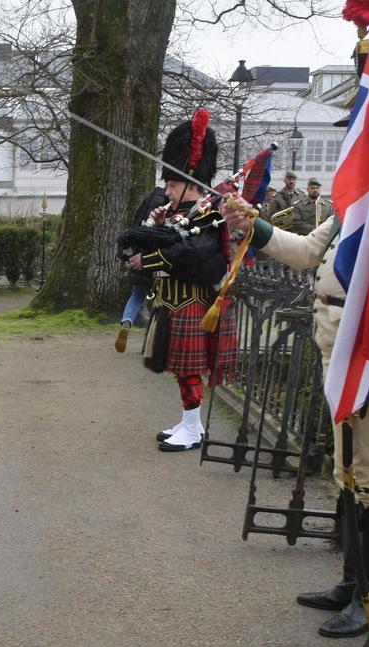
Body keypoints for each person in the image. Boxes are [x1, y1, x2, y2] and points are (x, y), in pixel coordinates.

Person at [221, 199, 369, 638]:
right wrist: (253, 226)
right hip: (337, 348)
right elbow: (308, 253)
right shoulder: (355, 204)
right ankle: (352, 583)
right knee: (348, 472)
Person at [127, 111, 238, 453]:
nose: (167, 190)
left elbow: (191, 253)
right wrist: (151, 230)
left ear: (191, 181)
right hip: (169, 301)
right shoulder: (176, 213)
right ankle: (190, 422)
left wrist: (149, 258)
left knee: (188, 369)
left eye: (172, 185)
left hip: (193, 303)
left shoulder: (207, 214)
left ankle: (191, 428)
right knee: (177, 367)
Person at [115, 185, 165, 353]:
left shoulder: (146, 208)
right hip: (158, 262)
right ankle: (151, 339)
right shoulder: (168, 207)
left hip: (139, 261)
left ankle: (126, 323)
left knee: (137, 295)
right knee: (161, 300)